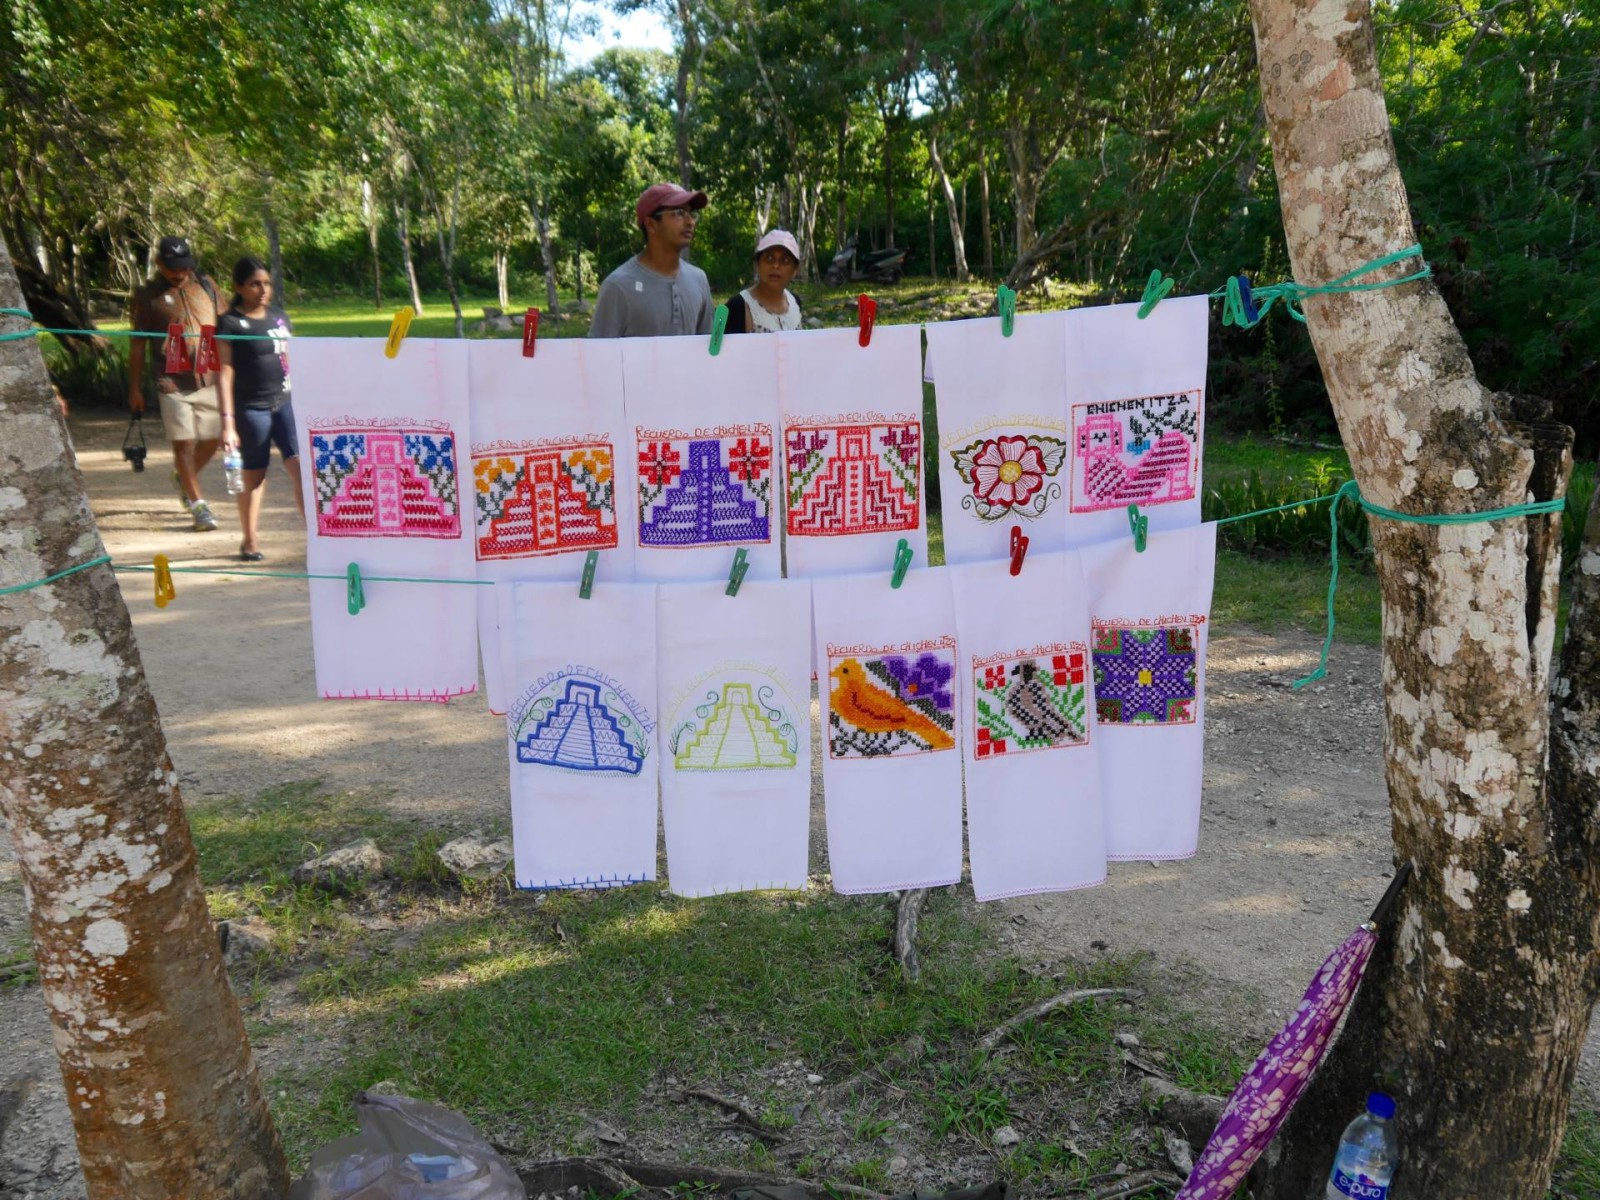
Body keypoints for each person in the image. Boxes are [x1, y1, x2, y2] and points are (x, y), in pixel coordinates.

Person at [128, 235, 226, 531]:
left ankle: (184, 477)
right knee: (183, 443)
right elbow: (137, 343)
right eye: (172, 267)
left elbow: (227, 327)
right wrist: (134, 388)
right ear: (159, 263)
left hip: (209, 375)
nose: (179, 273)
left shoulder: (206, 285)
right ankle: (199, 507)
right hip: (171, 381)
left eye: (184, 266)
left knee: (214, 439)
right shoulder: (147, 296)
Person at [217, 257, 303, 562]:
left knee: (301, 468)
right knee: (255, 476)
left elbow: (293, 361)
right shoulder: (229, 323)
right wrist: (227, 422)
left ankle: (317, 541)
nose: (263, 289)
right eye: (255, 284)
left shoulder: (280, 318)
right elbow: (224, 373)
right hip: (251, 408)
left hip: (286, 403)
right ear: (239, 287)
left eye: (266, 283)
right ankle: (249, 539)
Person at [588, 183, 715, 338]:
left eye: (692, 214)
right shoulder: (619, 286)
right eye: (679, 213)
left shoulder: (698, 279)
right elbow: (599, 356)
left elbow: (710, 348)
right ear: (651, 224)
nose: (690, 222)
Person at [724, 229, 804, 334]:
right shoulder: (738, 306)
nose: (775, 266)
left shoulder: (795, 302)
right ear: (757, 265)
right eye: (769, 258)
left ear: (795, 270)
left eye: (785, 260)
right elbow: (719, 348)